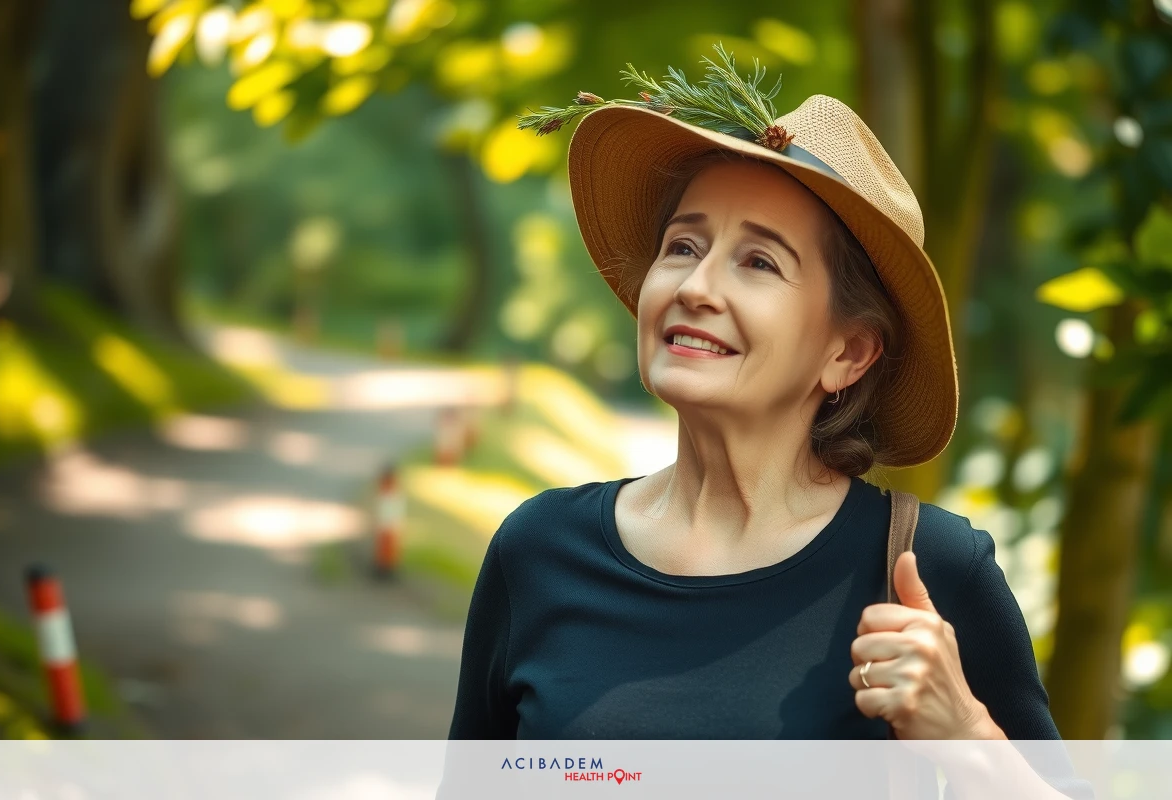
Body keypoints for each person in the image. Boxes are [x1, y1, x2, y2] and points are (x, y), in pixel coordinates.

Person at [443, 46, 1094, 800]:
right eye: (683, 246)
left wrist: (972, 740)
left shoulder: (929, 570)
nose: (695, 285)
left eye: (758, 263)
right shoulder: (538, 551)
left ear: (848, 352)